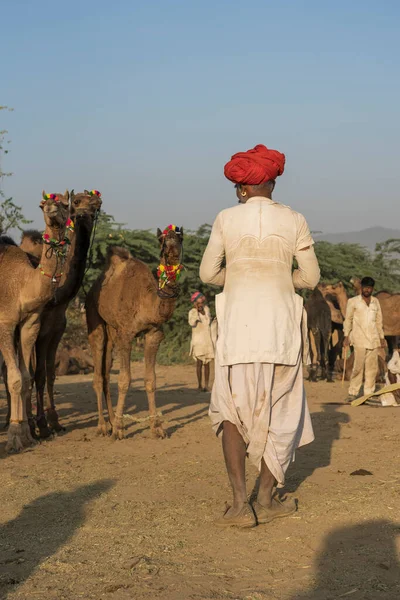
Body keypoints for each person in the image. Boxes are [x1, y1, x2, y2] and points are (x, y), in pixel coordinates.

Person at [200, 143, 320, 528]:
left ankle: (239, 505)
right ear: (272, 182)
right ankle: (266, 498)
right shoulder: (295, 219)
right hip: (281, 333)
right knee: (282, 413)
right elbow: (311, 278)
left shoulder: (225, 219)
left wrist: (235, 280)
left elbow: (206, 275)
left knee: (231, 413)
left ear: (243, 188)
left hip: (237, 332)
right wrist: (284, 281)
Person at [343, 276, 385, 401]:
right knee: (358, 367)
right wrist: (346, 336)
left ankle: (368, 394)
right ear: (361, 288)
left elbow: (379, 321)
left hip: (373, 339)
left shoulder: (375, 302)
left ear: (372, 289)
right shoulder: (353, 301)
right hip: (359, 339)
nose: (367, 290)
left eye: (369, 288)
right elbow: (348, 319)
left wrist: (382, 337)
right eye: (365, 287)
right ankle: (353, 392)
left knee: (372, 369)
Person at [188, 291, 214, 391]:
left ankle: (206, 385)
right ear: (194, 303)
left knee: (207, 363)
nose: (200, 304)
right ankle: (199, 385)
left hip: (206, 339)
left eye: (201, 302)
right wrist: (197, 312)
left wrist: (202, 312)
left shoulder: (206, 309)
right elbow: (192, 323)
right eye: (198, 303)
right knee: (199, 362)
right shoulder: (192, 312)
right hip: (197, 340)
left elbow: (208, 322)